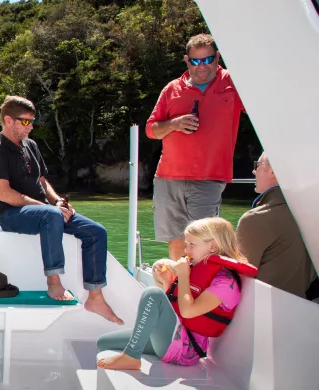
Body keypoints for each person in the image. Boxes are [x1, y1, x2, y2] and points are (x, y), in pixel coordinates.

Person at [0, 96, 122, 324]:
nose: (31, 126)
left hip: (45, 212)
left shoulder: (31, 146)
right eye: (25, 122)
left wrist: (58, 202)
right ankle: (54, 282)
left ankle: (95, 297)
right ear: (8, 120)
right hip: (11, 214)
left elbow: (42, 181)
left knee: (96, 231)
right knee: (50, 215)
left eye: (32, 121)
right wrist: (48, 208)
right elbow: (5, 194)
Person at [96, 217, 254, 370]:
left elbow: (188, 311)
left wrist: (184, 275)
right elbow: (176, 309)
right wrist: (168, 283)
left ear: (212, 247)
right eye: (186, 244)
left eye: (192, 245)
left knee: (152, 294)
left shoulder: (225, 283)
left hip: (187, 350)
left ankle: (131, 356)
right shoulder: (198, 267)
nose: (186, 250)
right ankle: (132, 353)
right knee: (103, 343)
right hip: (174, 337)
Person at [146, 33, 246, 260]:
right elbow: (151, 129)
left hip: (209, 177)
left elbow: (263, 110)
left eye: (208, 59)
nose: (202, 66)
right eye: (196, 61)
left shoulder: (233, 83)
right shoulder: (172, 89)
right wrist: (175, 124)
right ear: (187, 60)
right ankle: (179, 290)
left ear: (217, 57)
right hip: (168, 177)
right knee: (176, 241)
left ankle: (200, 290)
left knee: (203, 242)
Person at [236, 153, 316, 299]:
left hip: (263, 309)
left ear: (273, 171)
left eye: (258, 166)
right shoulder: (310, 213)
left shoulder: (256, 219)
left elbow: (239, 277)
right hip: (305, 306)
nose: (254, 171)